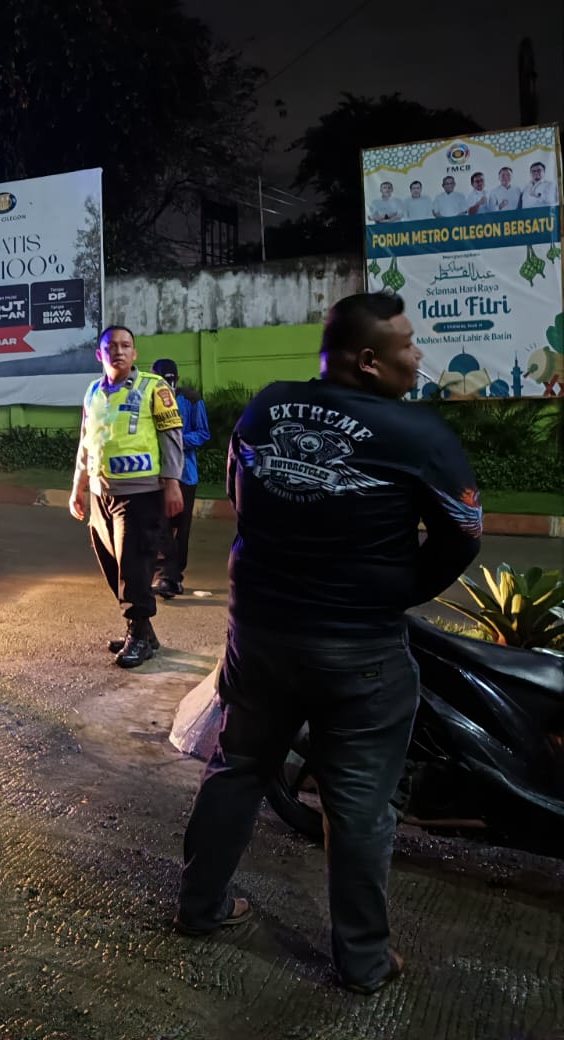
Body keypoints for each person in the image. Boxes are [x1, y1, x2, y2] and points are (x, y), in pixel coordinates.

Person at [175, 291, 482, 995]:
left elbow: (242, 496)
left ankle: (199, 906)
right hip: (360, 653)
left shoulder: (265, 408)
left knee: (237, 767)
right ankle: (363, 961)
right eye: (408, 345)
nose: (418, 356)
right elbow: (463, 536)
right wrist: (395, 589)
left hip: (259, 637)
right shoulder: (418, 434)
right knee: (360, 806)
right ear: (369, 360)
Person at [69, 326, 185, 668]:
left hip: (140, 493)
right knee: (112, 564)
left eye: (125, 346)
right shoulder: (93, 392)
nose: (118, 351)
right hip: (100, 492)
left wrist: (172, 482)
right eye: (111, 347)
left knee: (134, 565)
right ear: (100, 354)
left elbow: (171, 435)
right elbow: (86, 442)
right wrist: (78, 486)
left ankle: (139, 636)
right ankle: (143, 630)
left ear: (135, 353)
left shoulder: (154, 387)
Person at [149, 359, 209, 600]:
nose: (167, 384)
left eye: (170, 379)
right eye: (161, 379)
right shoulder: (147, 398)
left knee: (180, 529)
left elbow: (203, 433)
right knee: (159, 526)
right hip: (156, 474)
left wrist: (176, 441)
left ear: (178, 379)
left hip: (185, 474)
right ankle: (164, 576)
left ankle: (174, 576)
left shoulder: (191, 399)